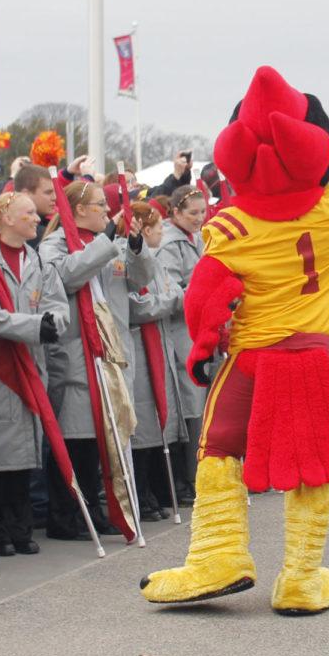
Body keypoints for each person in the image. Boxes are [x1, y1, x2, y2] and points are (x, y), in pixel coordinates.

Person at [141, 66, 329, 614]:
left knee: (217, 451)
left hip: (253, 357)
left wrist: (207, 341)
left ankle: (218, 555)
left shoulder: (229, 224)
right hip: (310, 357)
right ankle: (302, 578)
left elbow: (203, 297)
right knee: (309, 466)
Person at [40, 181, 154, 539]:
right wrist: (107, 239)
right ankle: (66, 513)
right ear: (77, 211)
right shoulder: (53, 246)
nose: (107, 211)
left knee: (106, 438)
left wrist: (135, 248)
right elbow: (68, 276)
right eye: (99, 206)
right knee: (78, 437)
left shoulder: (113, 244)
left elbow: (140, 280)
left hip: (113, 352)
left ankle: (94, 507)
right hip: (77, 354)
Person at [0, 192, 69, 555]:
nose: (37, 219)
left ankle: (19, 525)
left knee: (25, 449)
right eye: (28, 214)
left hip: (30, 361)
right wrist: (34, 325)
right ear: (6, 217)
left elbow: (56, 304)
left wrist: (52, 323)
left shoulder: (37, 261)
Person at [127, 202, 186, 521]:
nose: (163, 233)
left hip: (160, 347)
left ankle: (156, 489)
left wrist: (171, 298)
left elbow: (172, 291)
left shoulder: (156, 260)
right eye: (159, 228)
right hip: (139, 347)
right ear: (145, 231)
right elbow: (140, 305)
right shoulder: (134, 260)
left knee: (158, 422)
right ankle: (143, 490)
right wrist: (172, 300)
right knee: (143, 425)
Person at [156, 185, 208, 506]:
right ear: (175, 212)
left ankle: (198, 473)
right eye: (192, 213)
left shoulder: (197, 239)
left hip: (201, 330)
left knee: (201, 404)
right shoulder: (168, 244)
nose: (200, 219)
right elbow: (170, 287)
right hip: (181, 332)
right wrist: (203, 291)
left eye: (203, 212)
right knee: (189, 404)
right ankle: (186, 478)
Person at [13, 164, 57, 247]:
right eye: (48, 192)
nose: (55, 197)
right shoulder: (25, 232)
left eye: (55, 192)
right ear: (25, 194)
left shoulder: (46, 225)